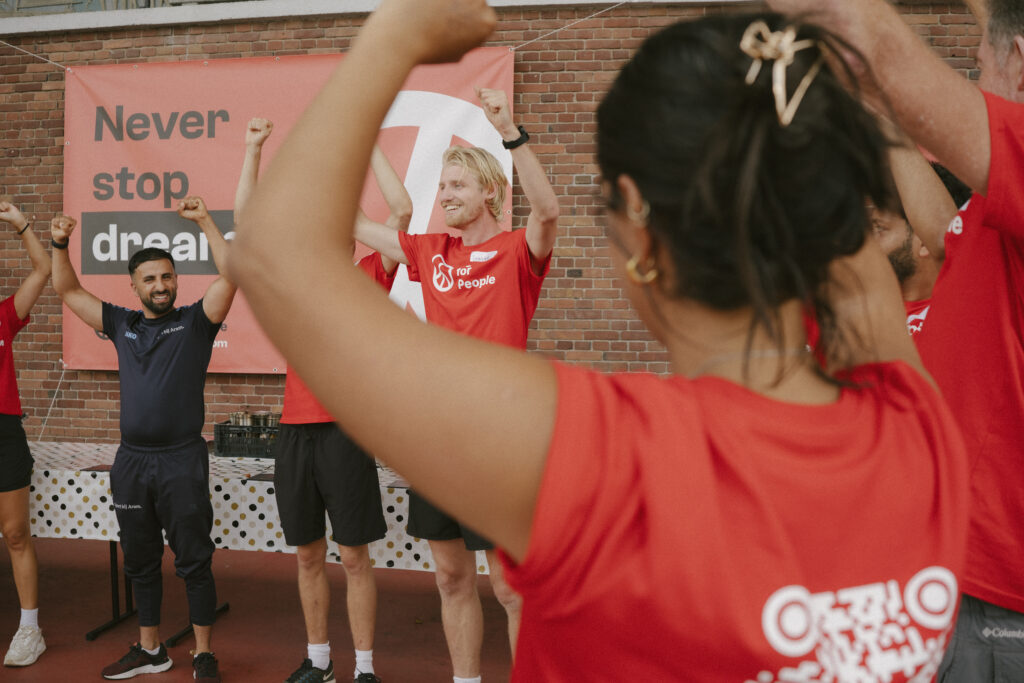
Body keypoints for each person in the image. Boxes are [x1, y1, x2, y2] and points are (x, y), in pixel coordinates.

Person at [229, 2, 968, 680]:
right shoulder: (917, 421)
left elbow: (276, 255)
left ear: (638, 224)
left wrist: (398, 31)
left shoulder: (603, 461)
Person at [764, 0, 1024, 678]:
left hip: (996, 595)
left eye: (979, 62)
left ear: (1020, 64)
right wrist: (878, 114)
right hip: (956, 573)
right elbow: (945, 236)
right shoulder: (990, 210)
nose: (971, 77)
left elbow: (867, 27)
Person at [353, 86, 558, 682]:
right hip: (438, 443)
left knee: (513, 591)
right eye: (442, 187)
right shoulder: (430, 252)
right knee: (449, 577)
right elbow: (358, 224)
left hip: (500, 443)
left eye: (457, 187)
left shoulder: (518, 251)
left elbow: (547, 213)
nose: (444, 197)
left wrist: (510, 131)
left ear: (488, 192)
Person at [234, 117, 410, 683]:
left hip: (344, 432)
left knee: (354, 557)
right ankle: (318, 662)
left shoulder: (366, 273)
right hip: (294, 433)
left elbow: (402, 216)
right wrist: (253, 149)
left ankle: (363, 669)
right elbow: (245, 224)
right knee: (308, 555)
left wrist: (372, 140)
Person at [51, 197, 235, 682]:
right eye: (150, 279)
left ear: (177, 280)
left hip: (181, 460)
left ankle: (202, 653)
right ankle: (151, 650)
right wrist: (58, 242)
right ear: (134, 286)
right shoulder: (121, 324)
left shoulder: (195, 322)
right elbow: (66, 288)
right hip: (132, 463)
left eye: (167, 277)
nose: (160, 285)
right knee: (141, 560)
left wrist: (202, 220)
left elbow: (233, 275)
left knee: (194, 559)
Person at [0, 202, 50, 668]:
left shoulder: (4, 316)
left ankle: (30, 630)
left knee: (15, 532)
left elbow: (43, 268)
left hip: (4, 432)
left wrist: (21, 224)